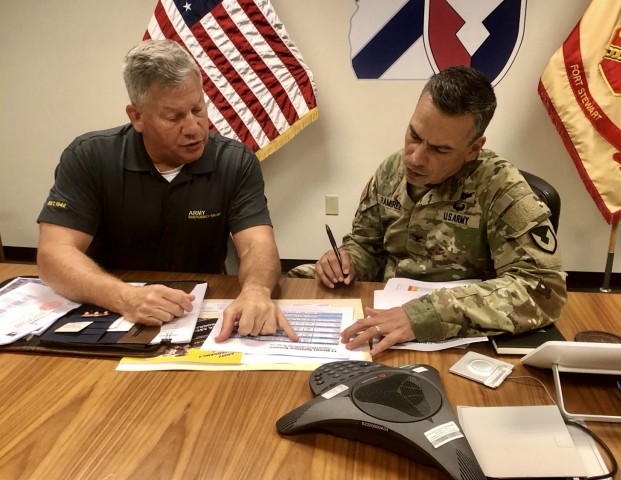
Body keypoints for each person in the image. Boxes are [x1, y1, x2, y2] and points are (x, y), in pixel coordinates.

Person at [289, 65, 566, 356]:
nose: (415, 158)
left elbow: (543, 290)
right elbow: (366, 246)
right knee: (294, 288)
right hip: (383, 320)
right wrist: (346, 262)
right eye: (414, 135)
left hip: (458, 338)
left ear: (473, 149)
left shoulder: (500, 187)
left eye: (440, 150)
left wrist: (427, 315)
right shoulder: (391, 170)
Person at [37, 39, 298, 343]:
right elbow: (54, 254)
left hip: (200, 311)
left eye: (198, 109)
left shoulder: (235, 161)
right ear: (137, 117)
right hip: (110, 307)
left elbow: (257, 245)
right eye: (174, 117)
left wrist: (256, 290)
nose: (194, 128)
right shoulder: (89, 156)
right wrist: (125, 297)